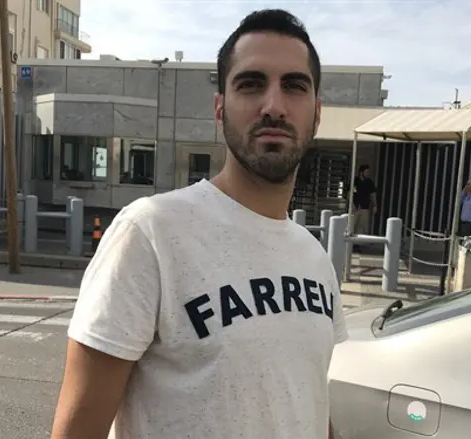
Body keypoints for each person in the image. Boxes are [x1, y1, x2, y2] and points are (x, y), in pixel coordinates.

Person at [49, 9, 348, 439]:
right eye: (251, 84)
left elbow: (305, 400)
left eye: (294, 86)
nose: (274, 106)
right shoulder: (151, 232)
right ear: (220, 108)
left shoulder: (315, 257)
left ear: (316, 112)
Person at [351, 164, 377, 235]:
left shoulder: (369, 182)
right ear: (361, 172)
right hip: (354, 207)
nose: (368, 174)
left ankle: (359, 243)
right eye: (366, 172)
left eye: (368, 172)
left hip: (365, 207)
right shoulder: (355, 181)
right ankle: (350, 243)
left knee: (362, 226)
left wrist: (375, 205)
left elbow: (373, 194)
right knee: (352, 224)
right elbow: (352, 193)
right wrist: (354, 204)